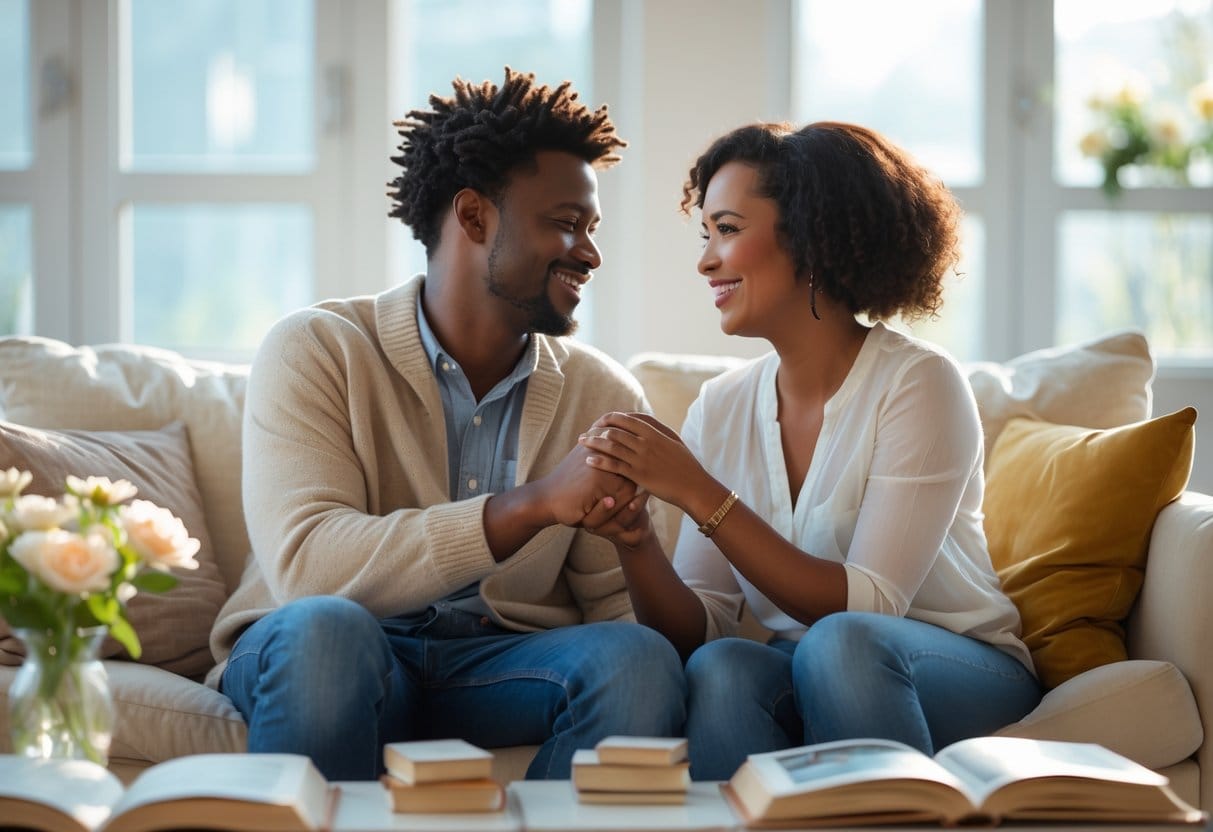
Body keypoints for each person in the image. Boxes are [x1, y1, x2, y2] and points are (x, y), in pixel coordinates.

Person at [207, 68, 685, 781]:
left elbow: (616, 611)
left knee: (637, 664)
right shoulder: (319, 346)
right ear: (472, 217)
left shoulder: (600, 390)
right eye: (564, 223)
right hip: (333, 646)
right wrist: (529, 505)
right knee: (327, 633)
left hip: (502, 665)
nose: (589, 252)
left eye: (590, 228)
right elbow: (309, 569)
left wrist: (639, 540)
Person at [577, 121, 1043, 780]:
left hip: (953, 665)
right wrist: (635, 543)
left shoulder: (917, 383)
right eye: (704, 233)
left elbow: (868, 606)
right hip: (814, 659)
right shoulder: (721, 406)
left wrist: (698, 492)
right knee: (724, 664)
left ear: (810, 234)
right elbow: (697, 630)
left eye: (729, 229)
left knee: (842, 644)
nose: (706, 260)